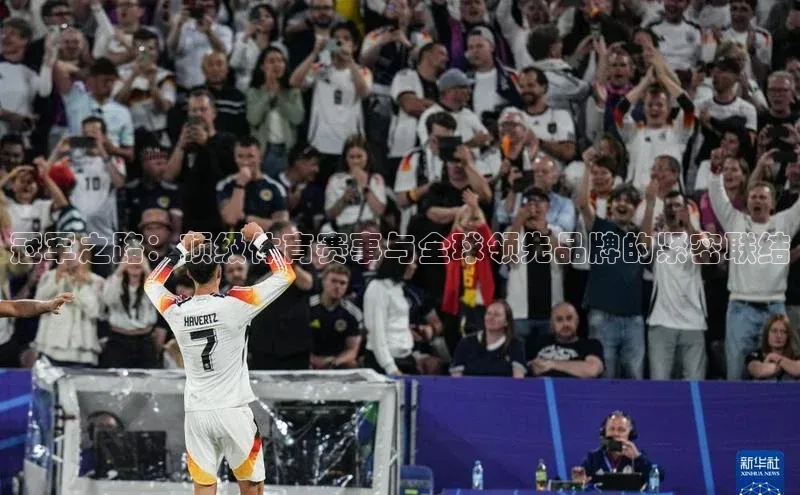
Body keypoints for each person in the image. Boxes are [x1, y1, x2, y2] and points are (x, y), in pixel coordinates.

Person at [144, 223, 295, 494]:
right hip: (233, 410)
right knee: (252, 487)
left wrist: (181, 248)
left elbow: (151, 283)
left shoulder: (176, 310)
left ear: (189, 273)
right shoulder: (236, 303)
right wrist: (259, 238)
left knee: (203, 486)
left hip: (197, 413)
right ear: (219, 272)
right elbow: (286, 274)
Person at [449, 299, 526, 378]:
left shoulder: (515, 344)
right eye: (488, 314)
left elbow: (518, 379)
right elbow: (456, 378)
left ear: (506, 322)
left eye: (497, 315)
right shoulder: (466, 342)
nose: (491, 318)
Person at [526, 302, 604, 379]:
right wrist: (532, 367)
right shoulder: (537, 342)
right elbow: (522, 367)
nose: (565, 324)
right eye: (559, 319)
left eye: (569, 318)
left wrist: (552, 364)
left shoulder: (591, 344)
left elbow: (592, 370)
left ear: (577, 321)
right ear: (551, 324)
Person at [581, 411, 660, 483]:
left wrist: (637, 457)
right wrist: (579, 484)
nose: (615, 434)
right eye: (612, 429)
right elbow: (582, 484)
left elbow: (659, 477)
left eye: (621, 430)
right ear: (604, 432)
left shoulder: (638, 458)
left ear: (630, 433)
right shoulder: (593, 458)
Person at [746, 314, 800, 381]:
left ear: (787, 336)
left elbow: (798, 370)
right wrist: (787, 365)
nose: (779, 336)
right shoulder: (755, 355)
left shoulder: (795, 355)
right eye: (774, 331)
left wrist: (775, 357)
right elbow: (759, 371)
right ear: (767, 334)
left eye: (783, 331)